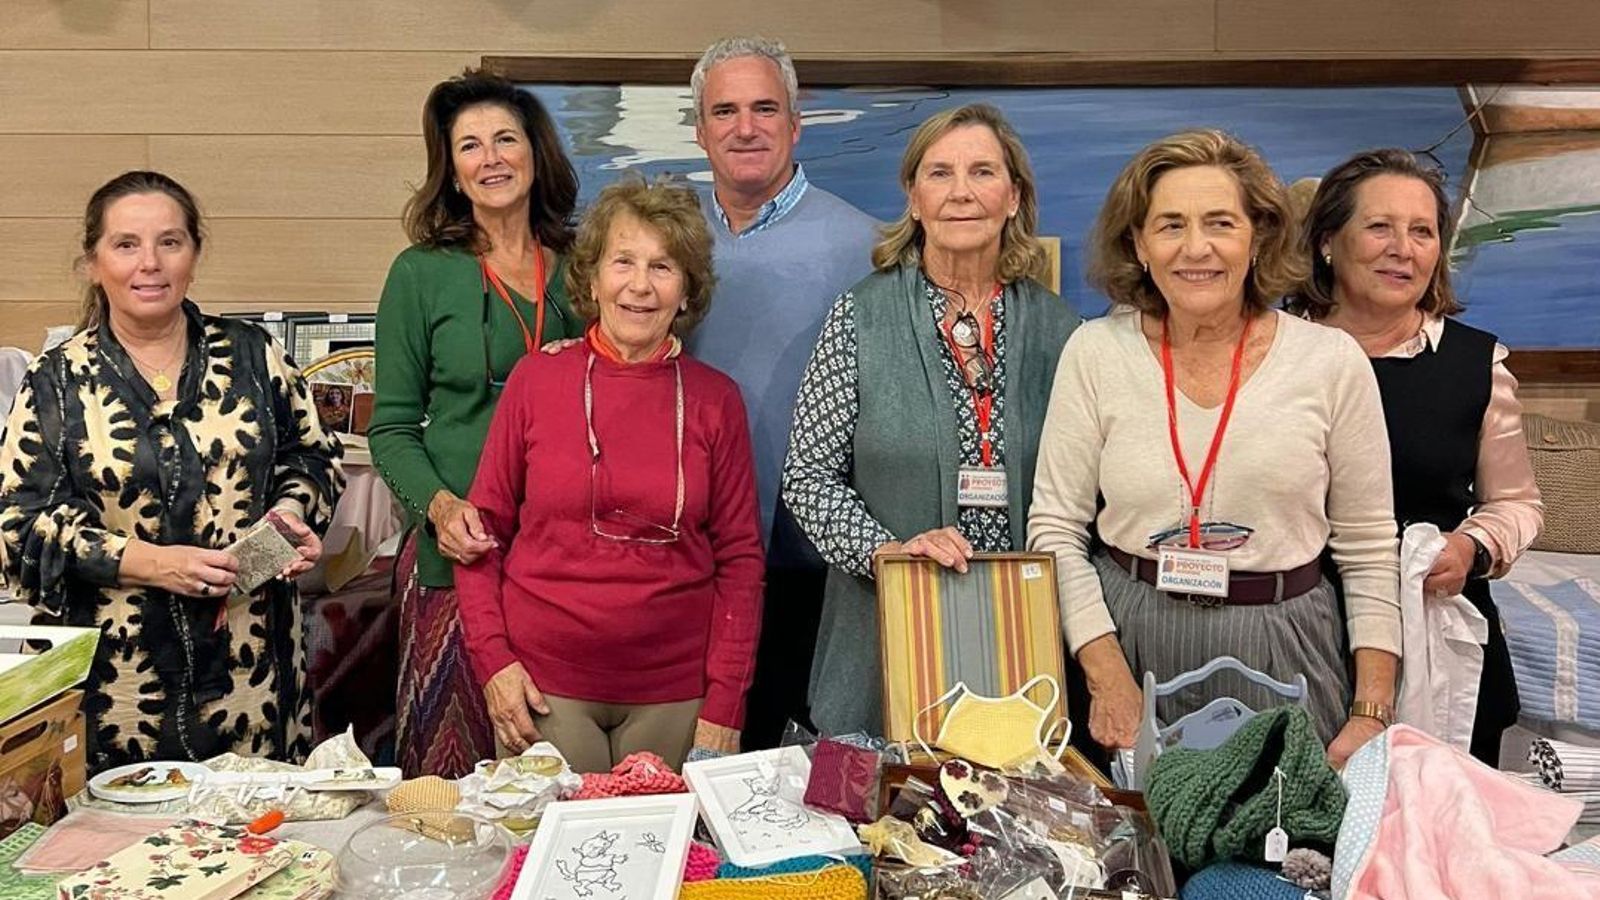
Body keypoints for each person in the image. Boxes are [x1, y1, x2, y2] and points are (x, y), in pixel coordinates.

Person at [1028, 130, 1401, 768]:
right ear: (1140, 245)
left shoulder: (1329, 361)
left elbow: (1368, 546)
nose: (1195, 248)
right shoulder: (1095, 352)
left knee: (1286, 858)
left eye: (1220, 223)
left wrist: (1371, 711)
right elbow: (1055, 528)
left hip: (1284, 641)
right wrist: (1104, 673)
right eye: (1170, 225)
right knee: (1132, 861)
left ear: (1257, 237)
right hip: (1129, 641)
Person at [0, 171, 343, 773]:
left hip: (253, 673)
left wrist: (290, 514)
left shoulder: (254, 354)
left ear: (194, 253)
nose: (149, 264)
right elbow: (19, 529)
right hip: (116, 688)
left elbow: (312, 457)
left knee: (259, 850)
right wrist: (156, 564)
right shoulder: (56, 380)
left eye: (170, 242)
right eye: (126, 244)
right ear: (93, 261)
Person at [783, 103, 1080, 737]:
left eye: (982, 172)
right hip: (882, 635)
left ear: (1014, 196)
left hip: (1021, 649)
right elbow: (808, 476)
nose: (962, 192)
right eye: (940, 174)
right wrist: (887, 555)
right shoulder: (859, 317)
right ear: (914, 198)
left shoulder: (1064, 333)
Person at [455, 177, 764, 773]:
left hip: (676, 694)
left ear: (687, 289)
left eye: (663, 266)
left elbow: (741, 561)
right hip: (543, 689)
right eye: (623, 261)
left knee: (672, 863)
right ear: (593, 278)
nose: (640, 286)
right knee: (552, 862)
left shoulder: (715, 401)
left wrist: (726, 702)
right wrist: (494, 664)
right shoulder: (535, 382)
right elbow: (479, 535)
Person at [1289, 148, 1543, 765]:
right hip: (1301, 638)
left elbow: (1517, 503)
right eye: (1380, 227)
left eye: (1422, 231)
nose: (1403, 248)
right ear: (1328, 242)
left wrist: (1471, 548)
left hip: (1437, 632)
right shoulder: (1275, 352)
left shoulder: (1475, 364)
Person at [369, 69, 584, 777]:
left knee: (555, 766)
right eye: (469, 146)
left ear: (534, 152)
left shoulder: (586, 269)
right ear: (452, 171)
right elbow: (392, 427)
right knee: (452, 771)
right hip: (457, 554)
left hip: (565, 562)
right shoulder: (419, 274)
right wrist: (437, 507)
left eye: (505, 139)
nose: (490, 157)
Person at [686, 36, 879, 748]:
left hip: (814, 568)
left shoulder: (865, 246)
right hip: (688, 561)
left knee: (799, 776)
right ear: (700, 128)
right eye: (725, 110)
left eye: (765, 108)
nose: (746, 127)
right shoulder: (666, 242)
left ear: (796, 124)